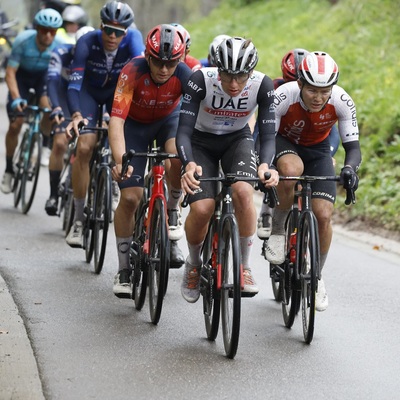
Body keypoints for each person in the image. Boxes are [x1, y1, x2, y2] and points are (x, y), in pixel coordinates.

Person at [176, 37, 279, 303]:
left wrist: (266, 164)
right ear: (217, 70)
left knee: (244, 192)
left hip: (237, 140)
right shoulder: (200, 80)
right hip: (200, 142)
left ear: (251, 72)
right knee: (202, 208)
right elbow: (183, 131)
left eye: (241, 76)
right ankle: (195, 262)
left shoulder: (262, 85)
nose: (234, 84)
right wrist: (188, 164)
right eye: (227, 76)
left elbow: (267, 135)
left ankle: (244, 267)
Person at [265, 51, 361, 312]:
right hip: (284, 142)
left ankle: (317, 276)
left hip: (318, 149)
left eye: (324, 91)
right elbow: (264, 136)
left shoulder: (341, 100)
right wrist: (264, 165)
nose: (319, 98)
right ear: (300, 85)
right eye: (312, 91)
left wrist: (350, 168)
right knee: (292, 169)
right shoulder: (284, 95)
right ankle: (277, 230)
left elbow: (353, 147)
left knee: (323, 214)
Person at [108, 24, 193, 298]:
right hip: (135, 126)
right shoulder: (132, 71)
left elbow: (194, 122)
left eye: (171, 63)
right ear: (147, 55)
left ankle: (172, 209)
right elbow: (117, 120)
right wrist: (120, 159)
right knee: (131, 198)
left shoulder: (185, 74)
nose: (164, 69)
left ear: (180, 60)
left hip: (169, 122)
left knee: (178, 158)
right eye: (157, 61)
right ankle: (123, 269)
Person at [64, 1, 144, 247]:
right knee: (86, 146)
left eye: (118, 32)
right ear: (100, 26)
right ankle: (78, 220)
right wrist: (77, 114)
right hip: (89, 93)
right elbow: (75, 83)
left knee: (120, 139)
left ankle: (113, 182)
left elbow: (141, 76)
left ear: (126, 32)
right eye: (108, 30)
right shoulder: (87, 41)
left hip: (115, 93)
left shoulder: (134, 41)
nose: (112, 36)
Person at [0, 8, 63, 194]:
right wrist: (17, 97)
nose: (48, 35)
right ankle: (9, 170)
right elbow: (10, 72)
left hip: (43, 77)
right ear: (37, 29)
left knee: (48, 109)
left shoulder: (58, 46)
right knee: (16, 124)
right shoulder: (23, 41)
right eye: (44, 30)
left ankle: (44, 144)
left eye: (53, 31)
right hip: (22, 78)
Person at [44, 26, 95, 216]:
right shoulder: (61, 53)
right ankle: (53, 195)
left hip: (86, 98)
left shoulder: (97, 59)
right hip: (64, 97)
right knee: (59, 143)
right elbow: (51, 82)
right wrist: (56, 107)